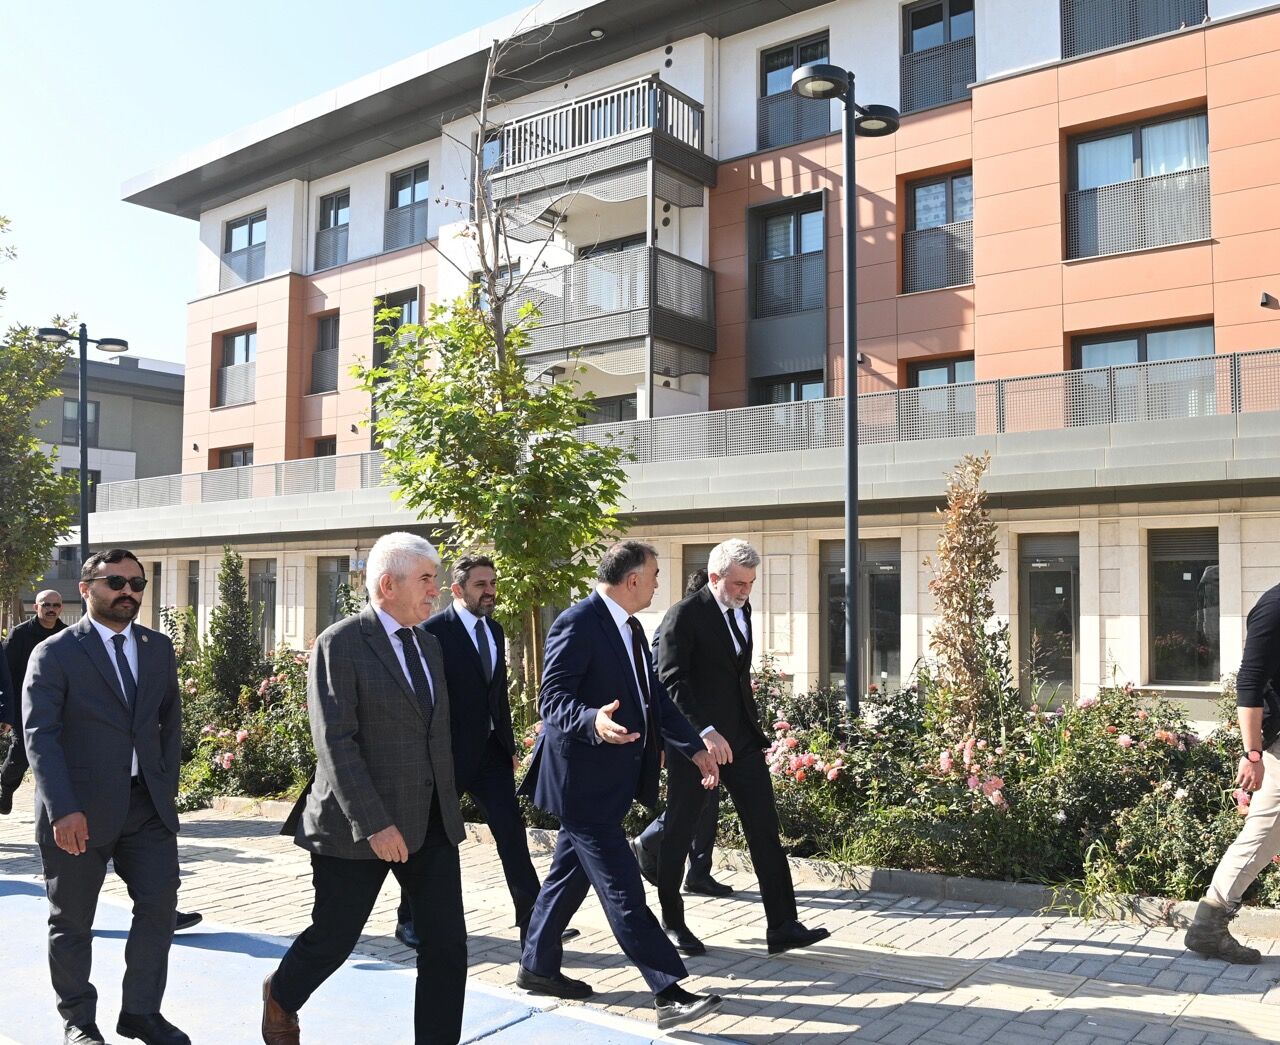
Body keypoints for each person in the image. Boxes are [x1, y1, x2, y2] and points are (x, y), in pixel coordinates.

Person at [262, 532, 467, 1045]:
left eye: (436, 579)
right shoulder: (341, 643)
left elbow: (433, 732)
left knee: (446, 948)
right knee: (334, 938)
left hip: (430, 822)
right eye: (426, 579)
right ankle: (281, 994)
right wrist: (375, 823)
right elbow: (335, 743)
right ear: (387, 585)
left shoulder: (429, 644)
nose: (435, 589)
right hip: (357, 826)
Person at [517, 540, 726, 1031]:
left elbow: (654, 699)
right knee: (623, 887)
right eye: (653, 575)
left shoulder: (630, 627)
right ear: (632, 580)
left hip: (608, 780)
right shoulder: (577, 622)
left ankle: (536, 966)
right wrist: (592, 719)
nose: (657, 584)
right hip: (580, 782)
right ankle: (668, 992)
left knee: (568, 875)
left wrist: (694, 747)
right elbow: (552, 698)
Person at [23, 551, 188, 1045]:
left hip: (146, 807)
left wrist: (165, 786)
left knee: (159, 908)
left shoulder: (157, 648)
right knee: (72, 921)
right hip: (79, 811)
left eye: (137, 583)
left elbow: (169, 723)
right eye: (116, 581)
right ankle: (78, 1019)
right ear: (86, 587)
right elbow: (41, 736)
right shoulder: (55, 652)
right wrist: (63, 809)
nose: (128, 591)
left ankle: (141, 1012)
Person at [653, 539, 829, 958]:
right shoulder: (684, 615)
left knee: (764, 827)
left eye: (750, 583)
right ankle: (672, 922)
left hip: (742, 741)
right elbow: (670, 679)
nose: (745, 591)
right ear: (714, 577)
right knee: (680, 829)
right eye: (737, 583)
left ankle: (783, 926)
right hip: (697, 744)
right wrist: (704, 732)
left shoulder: (741, 610)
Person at [390, 556, 576, 950]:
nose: (490, 591)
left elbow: (497, 697)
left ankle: (534, 923)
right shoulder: (431, 632)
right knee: (429, 836)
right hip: (447, 756)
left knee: (512, 835)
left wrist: (508, 745)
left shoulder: (494, 629)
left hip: (491, 756)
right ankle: (409, 919)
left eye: (492, 583)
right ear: (457, 589)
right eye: (480, 585)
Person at [1185, 581, 1280, 963]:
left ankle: (1208, 924)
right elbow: (1250, 681)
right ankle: (1209, 924)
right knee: (1266, 830)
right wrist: (1253, 753)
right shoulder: (1275, 607)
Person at [632, 568, 730, 897]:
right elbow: (660, 683)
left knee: (707, 800)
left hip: (708, 729)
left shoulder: (709, 625)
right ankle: (648, 842)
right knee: (690, 801)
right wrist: (665, 738)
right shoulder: (674, 624)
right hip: (684, 732)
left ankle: (699, 872)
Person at [2, 588, 68, 815]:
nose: (51, 609)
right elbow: (5, 673)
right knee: (21, 754)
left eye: (55, 605)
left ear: (61, 608)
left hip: (57, 706)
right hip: (24, 705)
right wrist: (6, 711)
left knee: (58, 754)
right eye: (46, 604)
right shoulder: (19, 634)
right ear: (36, 607)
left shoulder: (67, 635)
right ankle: (5, 786)